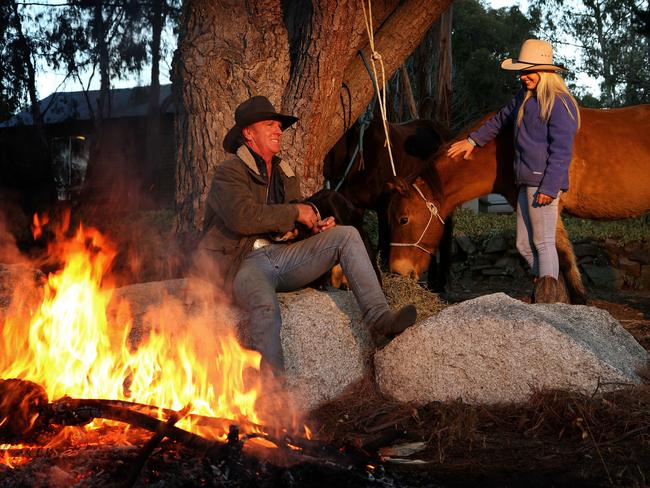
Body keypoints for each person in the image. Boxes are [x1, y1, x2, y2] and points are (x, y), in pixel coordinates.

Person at [196, 95, 417, 378]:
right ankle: (272, 390)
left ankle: (379, 320)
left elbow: (289, 221)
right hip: (242, 263)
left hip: (281, 257)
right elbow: (243, 217)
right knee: (264, 305)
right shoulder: (228, 172)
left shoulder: (283, 172)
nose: (278, 130)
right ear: (248, 133)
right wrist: (296, 212)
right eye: (270, 125)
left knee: (346, 235)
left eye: (279, 125)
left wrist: (312, 228)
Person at [447, 39, 580, 303]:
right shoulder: (524, 97)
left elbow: (562, 151)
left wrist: (550, 188)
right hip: (525, 181)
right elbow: (499, 120)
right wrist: (472, 141)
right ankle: (548, 288)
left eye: (528, 71)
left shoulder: (559, 104)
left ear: (545, 72)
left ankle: (549, 302)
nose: (523, 76)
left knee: (543, 243)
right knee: (523, 244)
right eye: (521, 71)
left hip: (542, 183)